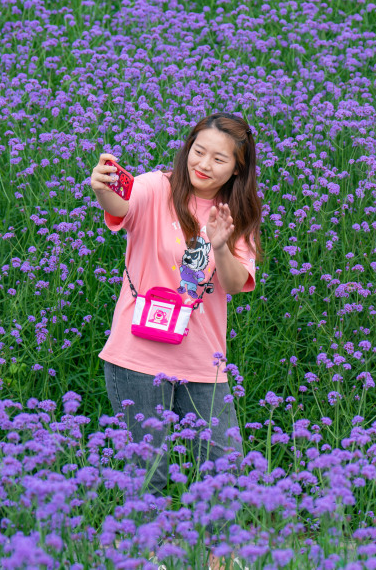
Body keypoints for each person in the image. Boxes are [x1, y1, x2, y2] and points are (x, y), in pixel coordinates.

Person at [89, 113, 261, 506]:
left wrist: (219, 243)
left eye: (219, 160)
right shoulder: (155, 187)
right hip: (137, 354)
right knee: (149, 473)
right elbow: (120, 203)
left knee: (225, 469)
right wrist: (103, 188)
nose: (204, 165)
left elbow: (235, 284)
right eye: (198, 152)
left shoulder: (239, 213)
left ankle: (218, 561)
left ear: (238, 168)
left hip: (203, 358)